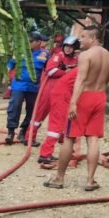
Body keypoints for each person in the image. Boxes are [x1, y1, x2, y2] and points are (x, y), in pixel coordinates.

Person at [44, 25, 109, 191]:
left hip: (84, 98)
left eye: (83, 37)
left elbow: (79, 80)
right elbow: (107, 79)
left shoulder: (86, 55)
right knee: (93, 138)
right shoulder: (108, 55)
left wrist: (73, 103)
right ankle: (90, 181)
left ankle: (59, 178)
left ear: (93, 38)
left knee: (69, 137)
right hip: (100, 97)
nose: (79, 41)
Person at [34, 36, 81, 165]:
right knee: (56, 125)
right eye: (66, 46)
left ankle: (67, 151)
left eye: (71, 47)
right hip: (59, 93)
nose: (68, 49)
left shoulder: (77, 60)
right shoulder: (58, 56)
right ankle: (45, 154)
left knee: (66, 123)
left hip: (66, 93)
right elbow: (50, 70)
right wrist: (64, 72)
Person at [5, 32, 48, 146]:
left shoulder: (45, 54)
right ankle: (11, 131)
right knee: (15, 106)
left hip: (34, 87)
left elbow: (49, 68)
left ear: (38, 42)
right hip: (18, 84)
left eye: (30, 41)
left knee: (32, 110)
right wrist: (5, 74)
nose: (28, 44)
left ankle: (24, 131)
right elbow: (10, 64)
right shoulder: (19, 52)